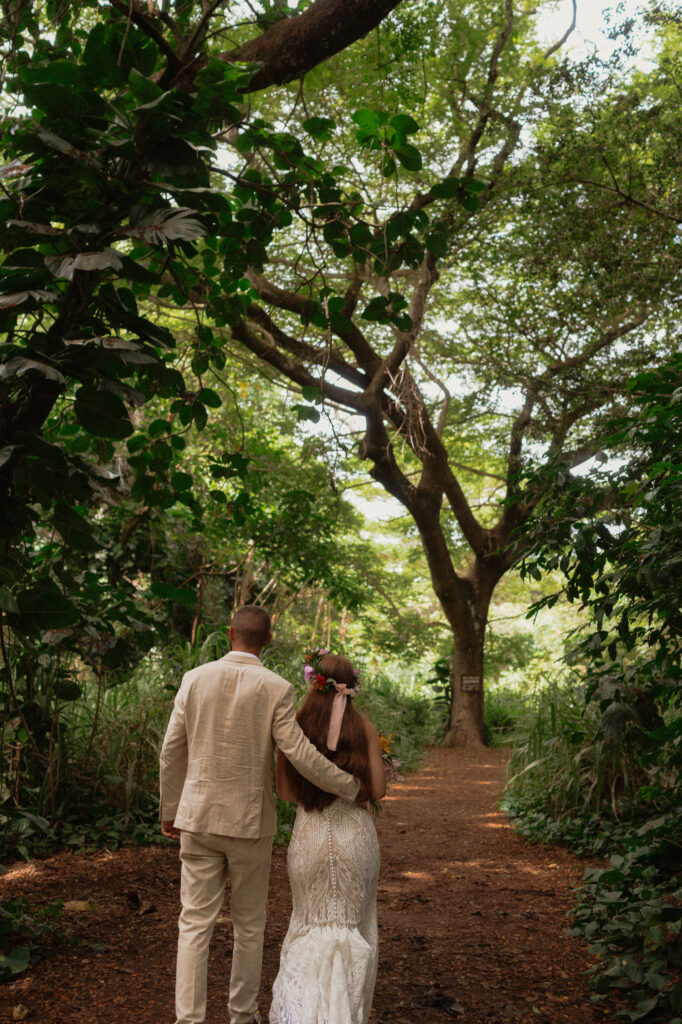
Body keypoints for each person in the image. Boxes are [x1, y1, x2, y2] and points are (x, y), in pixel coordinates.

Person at [159, 606, 363, 1024]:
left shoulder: (194, 680)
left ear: (229, 633)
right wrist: (349, 785)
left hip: (196, 817)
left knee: (194, 923)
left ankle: (188, 1020)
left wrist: (170, 809)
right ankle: (241, 1014)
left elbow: (170, 752)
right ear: (267, 640)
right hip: (250, 823)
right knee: (249, 925)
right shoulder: (274, 687)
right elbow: (299, 753)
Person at [270, 649, 386, 1024]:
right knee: (352, 927)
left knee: (310, 925)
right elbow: (379, 790)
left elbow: (285, 792)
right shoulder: (365, 728)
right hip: (355, 836)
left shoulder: (295, 727)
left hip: (311, 835)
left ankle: (301, 1014)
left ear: (312, 684)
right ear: (352, 688)